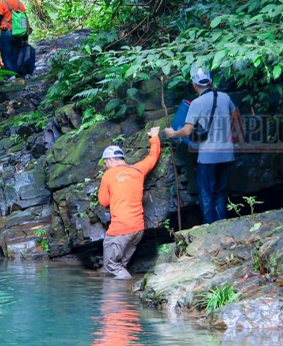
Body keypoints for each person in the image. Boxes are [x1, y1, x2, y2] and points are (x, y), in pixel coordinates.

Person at [164, 68, 236, 224]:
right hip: (227, 153)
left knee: (206, 192)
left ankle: (210, 227)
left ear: (194, 84)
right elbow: (235, 115)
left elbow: (187, 130)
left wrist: (173, 133)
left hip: (208, 156)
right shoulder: (224, 97)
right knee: (220, 191)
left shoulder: (196, 103)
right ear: (210, 82)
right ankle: (223, 224)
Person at [97, 126, 161, 279]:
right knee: (120, 266)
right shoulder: (138, 170)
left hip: (120, 230)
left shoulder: (109, 175)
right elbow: (153, 156)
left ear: (111, 160)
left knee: (111, 265)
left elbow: (103, 201)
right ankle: (122, 299)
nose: (105, 166)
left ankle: (128, 289)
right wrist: (154, 137)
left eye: (105, 163)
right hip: (137, 230)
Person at [0, 0, 30, 75]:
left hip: (7, 32)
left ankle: (12, 76)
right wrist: (25, 36)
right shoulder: (20, 3)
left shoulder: (2, 3)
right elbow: (24, 19)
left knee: (6, 56)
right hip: (19, 34)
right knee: (16, 55)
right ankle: (18, 75)